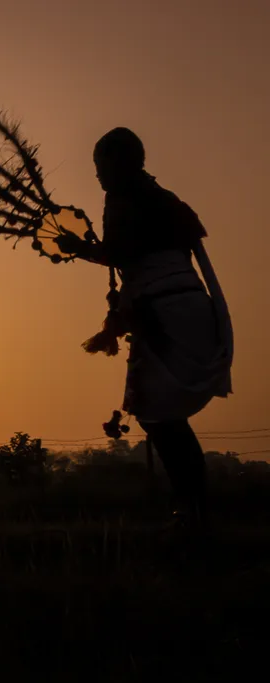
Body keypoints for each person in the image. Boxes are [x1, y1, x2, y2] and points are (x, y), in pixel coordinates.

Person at [56, 128, 232, 526]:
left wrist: (78, 248)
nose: (98, 177)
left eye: (101, 167)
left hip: (161, 312)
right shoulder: (166, 199)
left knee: (158, 415)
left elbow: (117, 254)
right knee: (165, 416)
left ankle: (191, 508)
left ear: (119, 164)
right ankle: (193, 506)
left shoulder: (120, 198)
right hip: (192, 307)